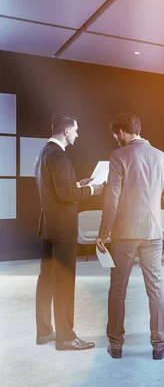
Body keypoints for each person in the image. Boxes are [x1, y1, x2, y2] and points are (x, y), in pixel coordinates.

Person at [95, 113, 164, 360]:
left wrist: (103, 233)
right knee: (156, 288)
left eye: (115, 135)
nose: (115, 139)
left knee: (117, 289)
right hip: (153, 233)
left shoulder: (118, 156)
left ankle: (116, 345)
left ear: (121, 132)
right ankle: (159, 344)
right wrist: (150, 201)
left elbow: (112, 200)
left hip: (124, 234)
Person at [34, 112, 104, 351]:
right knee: (64, 282)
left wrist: (79, 184)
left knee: (46, 280)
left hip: (48, 226)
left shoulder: (43, 154)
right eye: (75, 130)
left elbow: (57, 190)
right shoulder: (60, 156)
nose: (77, 134)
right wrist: (93, 190)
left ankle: (44, 332)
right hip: (63, 229)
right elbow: (66, 195)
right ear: (66, 131)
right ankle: (66, 338)